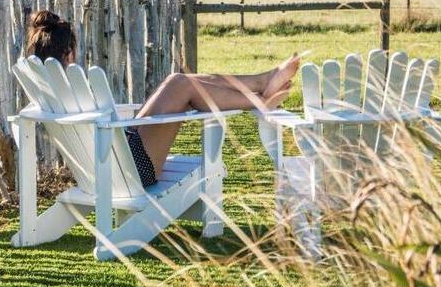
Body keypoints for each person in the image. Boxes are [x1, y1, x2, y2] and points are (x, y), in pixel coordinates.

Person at [25, 10, 299, 187]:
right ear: (69, 52)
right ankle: (259, 92)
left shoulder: (50, 87)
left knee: (176, 82)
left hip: (115, 159)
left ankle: (261, 84)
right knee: (181, 84)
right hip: (130, 169)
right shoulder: (69, 84)